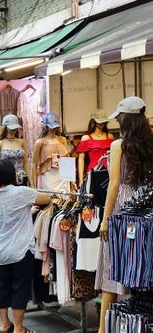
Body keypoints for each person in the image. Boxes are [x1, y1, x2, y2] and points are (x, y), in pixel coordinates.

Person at [95, 96, 153, 333]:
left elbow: (114, 184)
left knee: (113, 264)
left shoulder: (118, 145)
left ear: (124, 120)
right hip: (147, 206)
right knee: (141, 263)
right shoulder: (150, 143)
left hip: (123, 209)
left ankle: (103, 329)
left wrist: (106, 218)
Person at [0, 159, 51, 333]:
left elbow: (8, 215)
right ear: (12, 175)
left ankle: (4, 325)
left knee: (3, 288)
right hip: (21, 249)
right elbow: (45, 198)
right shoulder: (21, 192)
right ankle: (18, 328)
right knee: (20, 289)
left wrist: (26, 210)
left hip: (2, 250)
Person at [32, 112, 70, 191]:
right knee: (50, 198)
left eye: (55, 126)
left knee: (65, 200)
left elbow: (67, 161)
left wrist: (71, 180)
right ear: (46, 126)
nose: (53, 128)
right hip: (48, 175)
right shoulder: (40, 142)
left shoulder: (62, 140)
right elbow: (34, 164)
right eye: (51, 126)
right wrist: (33, 186)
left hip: (63, 175)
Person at [76, 109, 114, 185]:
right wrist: (80, 180)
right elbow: (81, 160)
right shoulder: (86, 138)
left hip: (109, 171)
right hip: (94, 171)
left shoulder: (110, 137)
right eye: (100, 121)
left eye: (104, 121)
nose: (102, 123)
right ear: (93, 122)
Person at [0, 114, 31, 186]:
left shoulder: (22, 142)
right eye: (11, 127)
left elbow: (26, 164)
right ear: (5, 127)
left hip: (21, 178)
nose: (14, 129)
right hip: (6, 179)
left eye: (15, 127)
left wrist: (31, 183)